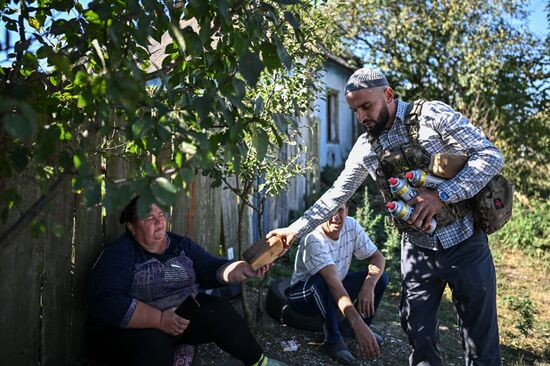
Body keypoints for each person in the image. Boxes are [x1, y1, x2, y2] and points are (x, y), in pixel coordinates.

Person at [268, 68, 504, 365]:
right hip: (418, 251)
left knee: (480, 340)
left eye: (367, 106)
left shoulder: (433, 115)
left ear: (388, 95)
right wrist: (295, 230)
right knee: (418, 335)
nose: (361, 116)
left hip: (466, 242)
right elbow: (337, 194)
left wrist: (442, 195)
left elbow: (490, 155)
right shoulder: (366, 147)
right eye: (355, 110)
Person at [87, 196, 285, 366]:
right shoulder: (118, 255)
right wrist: (159, 320)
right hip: (134, 331)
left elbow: (211, 268)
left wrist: (242, 269)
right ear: (131, 227)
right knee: (155, 345)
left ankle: (258, 361)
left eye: (161, 215)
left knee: (218, 310)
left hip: (178, 320)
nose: (158, 221)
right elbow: (105, 301)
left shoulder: (181, 245)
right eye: (149, 218)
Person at [288, 202, 388, 364]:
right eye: (329, 212)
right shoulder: (314, 238)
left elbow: (378, 258)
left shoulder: (351, 225)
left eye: (340, 210)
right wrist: (358, 323)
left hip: (334, 287)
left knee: (380, 277)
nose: (336, 217)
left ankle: (351, 330)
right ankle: (333, 339)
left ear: (347, 211)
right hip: (303, 295)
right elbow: (333, 284)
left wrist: (369, 284)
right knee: (324, 282)